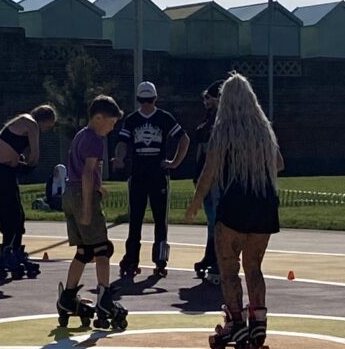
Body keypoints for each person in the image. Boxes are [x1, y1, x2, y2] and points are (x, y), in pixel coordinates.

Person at [185, 72, 284, 349]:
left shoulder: (224, 129)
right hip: (264, 202)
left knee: (228, 268)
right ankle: (259, 326)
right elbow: (279, 163)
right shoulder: (264, 130)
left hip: (236, 202)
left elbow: (210, 171)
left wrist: (195, 204)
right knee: (254, 267)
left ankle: (237, 323)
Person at [54, 96, 124, 330]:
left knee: (84, 250)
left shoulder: (81, 135)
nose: (112, 127)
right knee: (102, 248)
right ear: (98, 118)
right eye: (111, 123)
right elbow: (87, 172)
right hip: (83, 197)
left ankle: (68, 297)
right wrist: (87, 208)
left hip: (69, 193)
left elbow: (82, 172)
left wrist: (99, 186)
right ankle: (104, 299)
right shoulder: (95, 139)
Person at [114, 80, 191, 279]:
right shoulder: (135, 120)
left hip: (154, 175)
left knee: (149, 220)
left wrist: (174, 162)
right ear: (154, 97)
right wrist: (174, 162)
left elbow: (184, 139)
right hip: (142, 174)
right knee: (141, 220)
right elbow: (122, 142)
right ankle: (141, 259)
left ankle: (154, 259)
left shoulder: (161, 118)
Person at [0, 103, 55, 276]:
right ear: (45, 120)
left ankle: (15, 252)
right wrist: (31, 166)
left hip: (3, 172)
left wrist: (19, 164)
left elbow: (11, 153)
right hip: (0, 173)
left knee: (17, 215)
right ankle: (8, 254)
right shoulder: (31, 123)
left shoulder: (21, 122)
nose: (47, 129)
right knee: (11, 216)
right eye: (49, 126)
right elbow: (35, 153)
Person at [187, 85, 222, 280]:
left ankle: (218, 260)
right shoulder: (208, 121)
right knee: (211, 221)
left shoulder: (223, 122)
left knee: (217, 220)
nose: (206, 103)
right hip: (204, 175)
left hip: (217, 179)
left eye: (209, 98)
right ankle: (210, 255)